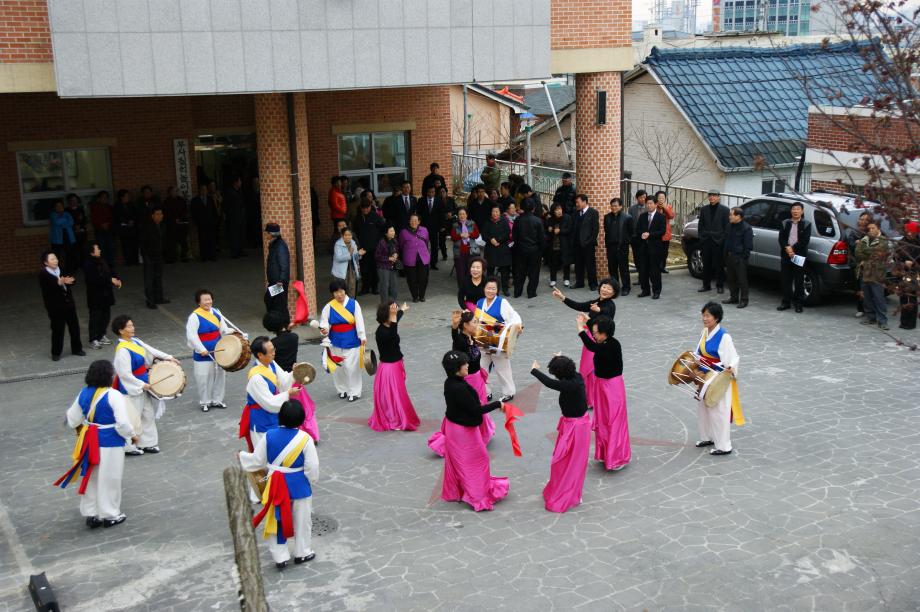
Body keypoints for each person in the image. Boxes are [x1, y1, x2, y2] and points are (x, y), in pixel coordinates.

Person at [239, 399, 319, 570]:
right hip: (299, 485)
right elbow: (312, 467)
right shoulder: (305, 439)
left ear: (280, 417)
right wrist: (311, 480)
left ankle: (280, 556)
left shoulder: (269, 435)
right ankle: (302, 552)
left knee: (276, 519)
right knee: (302, 520)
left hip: (275, 483)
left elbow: (257, 461)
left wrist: (241, 457)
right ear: (301, 419)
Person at [57, 360, 137, 529]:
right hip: (110, 441)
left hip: (89, 441)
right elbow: (122, 423)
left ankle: (91, 513)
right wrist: (132, 435)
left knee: (91, 477)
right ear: (108, 375)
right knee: (110, 478)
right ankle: (109, 514)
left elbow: (72, 420)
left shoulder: (83, 393)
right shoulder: (114, 395)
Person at [438, 350, 509, 512]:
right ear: (457, 369)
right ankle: (477, 496)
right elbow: (476, 410)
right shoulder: (459, 388)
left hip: (455, 427)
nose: (468, 365)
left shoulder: (450, 382)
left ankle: (466, 490)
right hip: (463, 431)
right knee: (477, 461)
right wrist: (498, 404)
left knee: (464, 462)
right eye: (465, 364)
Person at [428, 310, 497, 457]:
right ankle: (461, 440)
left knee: (480, 405)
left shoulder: (471, 336)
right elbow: (455, 338)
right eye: (474, 322)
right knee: (472, 409)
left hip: (478, 378)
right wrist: (453, 326)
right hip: (469, 380)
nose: (477, 324)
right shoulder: (460, 340)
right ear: (465, 325)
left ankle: (480, 436)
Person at [530, 355, 590, 513]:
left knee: (568, 461)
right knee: (566, 460)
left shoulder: (570, 385)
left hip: (576, 428)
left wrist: (535, 370)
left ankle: (570, 493)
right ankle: (569, 490)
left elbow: (550, 383)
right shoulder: (576, 376)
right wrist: (559, 359)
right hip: (575, 425)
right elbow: (557, 378)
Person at [111, 314, 178, 455]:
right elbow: (124, 373)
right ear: (121, 330)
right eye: (129, 326)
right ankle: (129, 446)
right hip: (132, 388)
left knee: (148, 414)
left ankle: (148, 443)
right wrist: (141, 384)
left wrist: (169, 357)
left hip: (144, 384)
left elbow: (152, 351)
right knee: (133, 417)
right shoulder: (122, 350)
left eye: (132, 325)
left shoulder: (135, 341)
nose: (132, 328)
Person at [576, 314, 630, 471]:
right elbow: (597, 333)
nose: (593, 335)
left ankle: (617, 457)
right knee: (602, 421)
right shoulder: (603, 339)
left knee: (613, 421)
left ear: (605, 333)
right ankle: (605, 453)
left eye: (595, 333)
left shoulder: (612, 345)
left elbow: (593, 347)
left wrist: (580, 329)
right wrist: (588, 320)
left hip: (612, 388)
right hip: (601, 386)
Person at [552, 279, 617, 407]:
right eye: (604, 287)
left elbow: (607, 319)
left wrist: (598, 312)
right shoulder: (595, 302)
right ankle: (589, 398)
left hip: (598, 340)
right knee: (587, 368)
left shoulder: (610, 305)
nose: (605, 290)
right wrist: (562, 298)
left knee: (592, 369)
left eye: (609, 289)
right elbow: (578, 305)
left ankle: (592, 400)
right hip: (589, 337)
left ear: (614, 293)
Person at [693, 302, 743, 456]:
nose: (704, 318)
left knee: (719, 411)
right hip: (705, 376)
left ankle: (724, 445)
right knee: (704, 409)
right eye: (703, 315)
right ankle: (707, 437)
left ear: (716, 318)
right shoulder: (704, 332)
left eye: (708, 315)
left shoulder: (724, 336)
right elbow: (698, 351)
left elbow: (733, 358)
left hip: (718, 378)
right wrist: (695, 361)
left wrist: (731, 368)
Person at [240, 336, 298, 452]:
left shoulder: (271, 364)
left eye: (274, 350)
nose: (274, 353)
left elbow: (283, 382)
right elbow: (269, 403)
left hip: (273, 417)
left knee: (275, 453)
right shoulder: (256, 378)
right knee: (264, 456)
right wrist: (288, 395)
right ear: (260, 355)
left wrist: (294, 373)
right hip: (261, 420)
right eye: (271, 351)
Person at [370, 301, 420, 432]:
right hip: (389, 369)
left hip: (395, 365)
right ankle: (394, 419)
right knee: (394, 395)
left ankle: (396, 416)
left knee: (398, 394)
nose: (395, 314)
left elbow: (395, 321)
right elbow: (393, 330)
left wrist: (402, 310)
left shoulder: (390, 324)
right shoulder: (382, 332)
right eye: (392, 312)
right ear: (386, 314)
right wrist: (396, 315)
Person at [319, 279, 367, 402]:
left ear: (345, 291)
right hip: (335, 339)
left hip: (351, 338)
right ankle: (342, 389)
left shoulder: (354, 304)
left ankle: (354, 391)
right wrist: (324, 330)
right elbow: (324, 322)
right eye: (336, 292)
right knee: (338, 367)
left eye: (341, 291)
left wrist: (362, 336)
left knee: (352, 367)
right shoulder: (328, 307)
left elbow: (359, 321)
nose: (339, 295)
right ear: (332, 293)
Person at [186, 289, 233, 412]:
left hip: (218, 350)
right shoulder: (194, 317)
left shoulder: (216, 312)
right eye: (205, 300)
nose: (208, 302)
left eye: (209, 299)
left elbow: (223, 329)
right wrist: (201, 349)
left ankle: (217, 400)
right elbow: (192, 336)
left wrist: (234, 332)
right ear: (199, 302)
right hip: (203, 353)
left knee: (220, 375)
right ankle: (204, 401)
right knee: (203, 378)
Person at [475, 278, 522, 402]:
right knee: (481, 368)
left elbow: (513, 317)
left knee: (503, 368)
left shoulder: (502, 302)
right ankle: (486, 392)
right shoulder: (480, 302)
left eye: (493, 288)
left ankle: (509, 392)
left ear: (497, 290)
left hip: (498, 341)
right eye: (488, 288)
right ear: (484, 288)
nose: (490, 291)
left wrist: (515, 328)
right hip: (483, 341)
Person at [39, 250, 85, 361]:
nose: (55, 261)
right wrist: (58, 283)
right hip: (55, 307)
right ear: (46, 263)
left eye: (56, 258)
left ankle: (77, 349)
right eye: (52, 259)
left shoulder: (61, 269)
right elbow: (47, 290)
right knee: (58, 329)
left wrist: (71, 281)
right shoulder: (43, 274)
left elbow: (72, 280)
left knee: (74, 327)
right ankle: (56, 352)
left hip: (68, 303)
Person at [83, 242, 121, 350]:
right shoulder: (88, 264)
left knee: (105, 316)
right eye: (97, 249)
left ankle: (101, 335)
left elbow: (110, 271)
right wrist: (110, 280)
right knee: (95, 317)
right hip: (95, 296)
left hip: (106, 295)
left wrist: (116, 278)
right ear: (91, 252)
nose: (99, 250)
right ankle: (93, 339)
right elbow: (95, 279)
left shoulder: (102, 260)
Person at [777, 202, 811, 313]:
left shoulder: (806, 224)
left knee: (799, 280)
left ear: (802, 211)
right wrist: (787, 248)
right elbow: (781, 238)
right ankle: (786, 302)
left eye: (798, 209)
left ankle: (799, 304)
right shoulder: (785, 223)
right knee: (786, 280)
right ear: (791, 211)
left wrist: (793, 249)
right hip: (786, 254)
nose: (795, 211)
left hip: (799, 255)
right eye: (793, 209)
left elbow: (804, 241)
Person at [856, 220, 891, 331]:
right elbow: (858, 253)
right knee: (867, 296)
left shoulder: (883, 240)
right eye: (869, 229)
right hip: (865, 272)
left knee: (878, 297)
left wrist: (866, 253)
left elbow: (878, 253)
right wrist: (868, 253)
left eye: (873, 228)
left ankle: (882, 321)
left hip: (877, 273)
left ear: (878, 229)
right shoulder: (864, 239)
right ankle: (870, 317)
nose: (870, 231)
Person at [697, 190, 731, 294]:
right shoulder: (704, 209)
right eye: (710, 196)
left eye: (714, 196)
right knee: (706, 263)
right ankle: (705, 285)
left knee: (719, 265)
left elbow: (727, 227)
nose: (712, 197)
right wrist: (702, 237)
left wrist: (722, 240)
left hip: (718, 241)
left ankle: (719, 285)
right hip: (706, 240)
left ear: (718, 197)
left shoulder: (725, 210)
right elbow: (700, 225)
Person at [512, 199, 545, 298]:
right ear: (533, 208)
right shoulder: (538, 221)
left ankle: (517, 292)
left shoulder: (518, 220)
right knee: (534, 272)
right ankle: (531, 293)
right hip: (534, 251)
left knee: (519, 272)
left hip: (520, 250)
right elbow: (542, 238)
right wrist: (542, 252)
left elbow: (514, 236)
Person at [354, 197, 386, 294]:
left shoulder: (375, 217)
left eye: (367, 208)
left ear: (370, 207)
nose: (365, 210)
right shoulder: (358, 218)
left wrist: (379, 243)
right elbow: (356, 231)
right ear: (361, 208)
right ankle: (365, 288)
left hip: (374, 248)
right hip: (363, 249)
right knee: (364, 269)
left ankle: (375, 287)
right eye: (363, 208)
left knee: (374, 268)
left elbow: (383, 229)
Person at [635, 197, 666, 299]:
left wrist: (650, 234)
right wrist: (642, 234)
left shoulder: (660, 217)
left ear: (656, 204)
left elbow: (662, 231)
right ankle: (645, 290)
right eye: (647, 203)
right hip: (643, 248)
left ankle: (656, 291)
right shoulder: (642, 216)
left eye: (651, 203)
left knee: (655, 271)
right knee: (643, 270)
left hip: (655, 248)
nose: (649, 205)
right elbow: (638, 229)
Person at [722, 207, 753, 308]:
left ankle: (744, 300)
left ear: (738, 216)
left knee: (742, 280)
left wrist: (742, 258)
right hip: (729, 256)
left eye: (731, 215)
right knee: (731, 278)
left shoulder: (746, 228)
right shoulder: (729, 226)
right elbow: (726, 240)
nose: (729, 216)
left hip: (740, 258)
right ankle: (733, 297)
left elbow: (748, 246)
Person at [603, 198, 633, 296]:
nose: (614, 207)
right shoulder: (607, 217)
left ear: (620, 206)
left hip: (622, 247)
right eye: (612, 205)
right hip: (611, 247)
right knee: (612, 268)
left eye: (616, 206)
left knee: (623, 268)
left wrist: (626, 242)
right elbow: (606, 232)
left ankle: (626, 287)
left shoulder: (627, 217)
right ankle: (615, 288)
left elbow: (631, 233)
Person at [140, 207, 168, 309]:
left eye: (161, 214)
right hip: (149, 256)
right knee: (149, 279)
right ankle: (150, 301)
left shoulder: (162, 225)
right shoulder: (147, 227)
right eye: (157, 214)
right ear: (152, 216)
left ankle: (159, 297)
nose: (160, 216)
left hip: (159, 255)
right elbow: (143, 243)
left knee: (158, 277)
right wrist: (145, 256)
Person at [399, 213, 431, 302]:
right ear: (409, 221)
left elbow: (427, 241)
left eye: (416, 221)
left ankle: (422, 295)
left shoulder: (424, 230)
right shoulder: (403, 232)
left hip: (423, 258)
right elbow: (401, 245)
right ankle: (414, 296)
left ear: (419, 222)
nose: (414, 222)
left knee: (423, 278)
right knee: (411, 279)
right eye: (412, 220)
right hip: (409, 259)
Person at [482, 205, 512, 295]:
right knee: (490, 271)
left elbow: (507, 233)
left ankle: (505, 288)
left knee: (504, 271)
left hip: (502, 249)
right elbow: (484, 235)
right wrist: (491, 239)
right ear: (491, 213)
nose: (495, 213)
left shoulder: (504, 221)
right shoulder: (487, 222)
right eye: (493, 211)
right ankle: (491, 289)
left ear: (500, 213)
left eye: (497, 212)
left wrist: (499, 240)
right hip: (491, 249)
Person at [847, 211, 872, 318]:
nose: (863, 222)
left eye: (866, 220)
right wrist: (856, 243)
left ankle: (871, 309)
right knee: (860, 287)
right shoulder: (854, 232)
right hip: (857, 264)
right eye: (862, 219)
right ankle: (861, 308)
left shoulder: (873, 231)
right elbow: (851, 245)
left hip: (871, 264)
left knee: (870, 287)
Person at [572, 194, 600, 290]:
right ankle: (579, 282)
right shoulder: (576, 213)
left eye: (578, 202)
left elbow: (595, 229)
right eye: (576, 202)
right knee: (578, 264)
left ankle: (593, 284)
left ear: (584, 202)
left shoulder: (593, 212)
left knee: (590, 265)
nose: (576, 204)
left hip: (588, 244)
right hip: (577, 244)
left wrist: (590, 241)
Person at [265, 222, 291, 320]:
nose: (266, 235)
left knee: (278, 302)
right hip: (276, 281)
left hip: (278, 282)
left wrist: (281, 279)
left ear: (271, 233)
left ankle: (284, 322)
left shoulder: (279, 246)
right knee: (272, 300)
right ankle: (279, 320)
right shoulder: (275, 244)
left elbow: (284, 263)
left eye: (267, 232)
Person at [450, 207, 480, 288]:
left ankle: (470, 288)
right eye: (460, 214)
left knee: (470, 271)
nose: (462, 216)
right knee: (460, 272)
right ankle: (462, 290)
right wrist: (460, 235)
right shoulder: (455, 225)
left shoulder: (472, 223)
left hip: (471, 251)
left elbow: (477, 235)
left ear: (467, 215)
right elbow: (453, 237)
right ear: (458, 216)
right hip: (459, 252)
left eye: (463, 214)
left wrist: (469, 234)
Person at [897, 221, 920, 330]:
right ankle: (903, 321)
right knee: (903, 297)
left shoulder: (918, 243)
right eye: (907, 231)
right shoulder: (902, 242)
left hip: (915, 274)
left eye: (911, 231)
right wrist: (902, 263)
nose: (909, 233)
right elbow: (895, 257)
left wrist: (914, 264)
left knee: (912, 298)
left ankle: (911, 323)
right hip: (903, 273)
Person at [545, 203, 573, 288]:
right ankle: (553, 279)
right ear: (553, 211)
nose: (559, 211)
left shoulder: (567, 218)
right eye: (556, 210)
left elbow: (569, 229)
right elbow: (546, 231)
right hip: (553, 245)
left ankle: (566, 279)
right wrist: (549, 230)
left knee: (565, 262)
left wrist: (560, 231)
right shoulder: (550, 220)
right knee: (553, 262)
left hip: (564, 244)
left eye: (560, 209)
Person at [417, 185, 444, 270]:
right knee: (423, 245)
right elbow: (418, 214)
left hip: (434, 227)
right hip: (423, 228)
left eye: (433, 192)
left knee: (434, 246)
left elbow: (441, 214)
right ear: (426, 192)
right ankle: (423, 262)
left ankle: (433, 263)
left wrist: (442, 226)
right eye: (429, 192)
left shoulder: (438, 201)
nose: (431, 193)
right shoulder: (421, 200)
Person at [332, 227, 364, 298]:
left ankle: (350, 308)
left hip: (351, 271)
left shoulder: (353, 243)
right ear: (342, 236)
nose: (348, 237)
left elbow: (355, 258)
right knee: (341, 292)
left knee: (351, 291)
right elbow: (338, 258)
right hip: (341, 273)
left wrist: (358, 254)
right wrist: (349, 254)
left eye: (349, 235)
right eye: (345, 235)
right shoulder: (338, 244)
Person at [191, 183, 219, 262]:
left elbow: (214, 210)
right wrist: (196, 222)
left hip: (210, 222)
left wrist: (215, 220)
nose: (204, 191)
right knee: (203, 240)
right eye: (202, 190)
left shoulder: (210, 199)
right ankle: (204, 256)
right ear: (199, 191)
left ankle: (212, 255)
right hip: (201, 223)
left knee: (211, 239)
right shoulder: (195, 200)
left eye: (205, 190)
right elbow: (193, 213)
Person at [163, 186, 190, 263]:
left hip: (181, 224)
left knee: (183, 241)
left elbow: (185, 211)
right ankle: (172, 258)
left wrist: (180, 219)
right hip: (171, 225)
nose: (175, 192)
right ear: (169, 192)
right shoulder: (166, 201)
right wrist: (174, 219)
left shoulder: (181, 200)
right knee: (171, 242)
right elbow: (166, 213)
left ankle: (184, 256)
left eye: (176, 191)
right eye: (173, 191)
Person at [89, 190, 116, 267]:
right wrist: (101, 224)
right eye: (103, 197)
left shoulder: (109, 207)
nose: (105, 199)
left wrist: (108, 224)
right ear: (99, 198)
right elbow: (94, 218)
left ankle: (110, 263)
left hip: (109, 229)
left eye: (106, 197)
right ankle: (104, 264)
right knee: (102, 247)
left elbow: (112, 218)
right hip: (99, 230)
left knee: (111, 247)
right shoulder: (95, 207)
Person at [49, 200, 76, 273]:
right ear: (54, 208)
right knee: (57, 256)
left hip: (68, 237)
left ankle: (69, 270)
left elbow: (71, 222)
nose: (59, 208)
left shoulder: (67, 213)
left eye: (61, 206)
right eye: (57, 206)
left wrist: (62, 221)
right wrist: (65, 220)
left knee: (69, 255)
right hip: (56, 239)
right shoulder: (53, 215)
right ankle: (56, 271)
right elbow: (57, 222)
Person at [628, 190, 648, 289]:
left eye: (644, 197)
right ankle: (640, 277)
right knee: (637, 258)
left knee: (644, 258)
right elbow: (630, 223)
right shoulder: (632, 209)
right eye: (641, 197)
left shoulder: (649, 208)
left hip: (645, 237)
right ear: (637, 198)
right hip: (635, 237)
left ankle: (645, 278)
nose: (643, 199)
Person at [375, 225, 400, 304]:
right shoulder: (382, 242)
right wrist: (388, 258)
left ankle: (393, 303)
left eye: (393, 230)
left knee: (394, 286)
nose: (393, 232)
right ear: (386, 233)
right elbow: (377, 256)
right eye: (391, 231)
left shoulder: (394, 240)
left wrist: (396, 254)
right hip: (383, 267)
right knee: (384, 286)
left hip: (392, 266)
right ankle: (385, 304)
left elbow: (396, 250)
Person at [114, 189, 139, 266]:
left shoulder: (131, 205)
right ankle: (129, 261)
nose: (128, 197)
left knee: (134, 245)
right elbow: (117, 217)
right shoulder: (117, 206)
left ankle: (135, 260)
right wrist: (126, 222)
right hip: (124, 229)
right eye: (126, 196)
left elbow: (136, 214)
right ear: (122, 197)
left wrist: (133, 221)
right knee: (126, 246)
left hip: (132, 228)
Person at [65, 193, 88, 272]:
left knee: (83, 250)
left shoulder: (80, 209)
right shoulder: (67, 211)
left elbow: (84, 219)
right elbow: (67, 221)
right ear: (69, 201)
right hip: (72, 234)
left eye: (75, 200)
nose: (74, 202)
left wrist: (80, 225)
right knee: (73, 251)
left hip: (81, 233)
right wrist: (74, 226)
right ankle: (74, 266)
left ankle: (83, 266)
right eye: (72, 200)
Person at [655, 191, 676, 273]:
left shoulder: (668, 206)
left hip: (665, 233)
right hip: (656, 232)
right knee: (656, 251)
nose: (661, 199)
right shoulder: (654, 206)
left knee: (664, 252)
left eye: (663, 198)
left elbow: (671, 216)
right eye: (659, 198)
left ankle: (662, 267)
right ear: (656, 198)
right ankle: (656, 266)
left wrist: (665, 207)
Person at [437, 185, 456, 263]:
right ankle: (444, 255)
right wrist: (444, 216)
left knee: (455, 240)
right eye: (440, 192)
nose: (442, 193)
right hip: (442, 223)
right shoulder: (437, 201)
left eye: (443, 191)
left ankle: (456, 255)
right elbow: (436, 214)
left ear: (446, 192)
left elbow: (455, 209)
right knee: (441, 241)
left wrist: (451, 213)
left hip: (451, 222)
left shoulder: (451, 199)